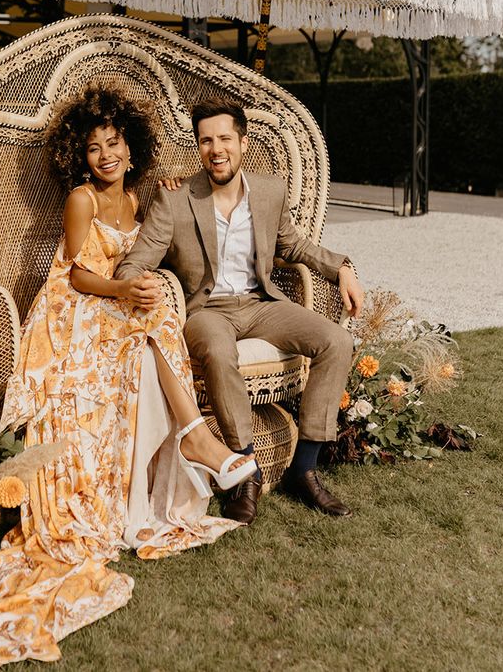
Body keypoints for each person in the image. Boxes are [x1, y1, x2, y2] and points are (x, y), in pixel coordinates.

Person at [0, 85, 256, 668]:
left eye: (115, 144)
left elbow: (153, 253)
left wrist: (152, 257)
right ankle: (196, 436)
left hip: (116, 304)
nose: (106, 156)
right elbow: (75, 277)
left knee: (162, 304)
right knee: (149, 313)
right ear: (81, 155)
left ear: (132, 146)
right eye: (94, 148)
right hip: (72, 313)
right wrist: (128, 288)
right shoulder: (82, 201)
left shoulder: (144, 201)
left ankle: (193, 437)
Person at [116, 96, 365, 525]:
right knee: (216, 347)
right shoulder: (175, 200)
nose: (217, 149)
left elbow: (293, 245)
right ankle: (243, 471)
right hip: (206, 310)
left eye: (225, 139)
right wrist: (136, 281)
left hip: (260, 303)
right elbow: (135, 261)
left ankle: (304, 469)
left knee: (336, 341)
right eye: (206, 141)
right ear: (198, 146)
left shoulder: (269, 191)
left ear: (242, 142)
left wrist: (341, 266)